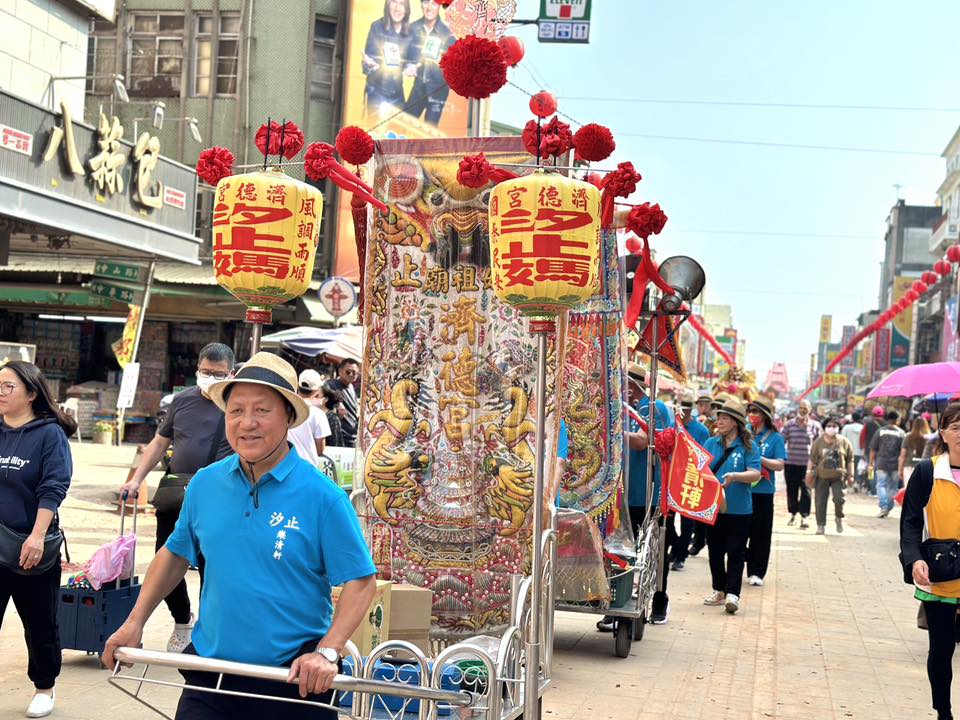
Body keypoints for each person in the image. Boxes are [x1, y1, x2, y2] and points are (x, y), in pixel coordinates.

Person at [104, 352, 377, 720]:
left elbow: (361, 581)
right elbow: (175, 554)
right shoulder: (205, 483)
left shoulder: (323, 497)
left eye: (262, 410)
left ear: (288, 417)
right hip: (211, 675)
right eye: (236, 411)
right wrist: (134, 621)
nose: (247, 423)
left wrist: (328, 650)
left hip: (292, 680)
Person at [120, 342, 235, 653]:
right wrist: (136, 479)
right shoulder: (182, 401)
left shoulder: (236, 403)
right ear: (197, 370)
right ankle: (182, 620)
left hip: (219, 498)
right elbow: (159, 443)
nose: (210, 378)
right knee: (165, 558)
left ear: (231, 374)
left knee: (213, 567)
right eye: (206, 372)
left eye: (218, 374)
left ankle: (208, 631)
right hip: (177, 496)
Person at [0, 360, 76, 718]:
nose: (0, 392)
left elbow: (53, 487)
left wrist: (37, 536)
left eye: (8, 386)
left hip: (29, 547)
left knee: (40, 622)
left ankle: (44, 687)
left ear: (31, 393)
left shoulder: (49, 434)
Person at [598, 363, 674, 630]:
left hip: (648, 495)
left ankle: (659, 600)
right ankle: (616, 603)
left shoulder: (653, 408)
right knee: (617, 550)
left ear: (632, 385)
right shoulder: (619, 408)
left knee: (652, 552)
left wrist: (612, 432)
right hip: (620, 495)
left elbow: (643, 441)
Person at [899, 402, 960, 720]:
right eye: (956, 427)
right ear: (943, 434)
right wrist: (914, 560)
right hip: (941, 576)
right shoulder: (927, 472)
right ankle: (944, 711)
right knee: (942, 648)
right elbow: (910, 523)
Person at [703, 398, 761, 614]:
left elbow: (755, 473)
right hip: (714, 507)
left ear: (735, 422)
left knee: (736, 552)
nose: (719, 422)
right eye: (719, 418)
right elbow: (700, 469)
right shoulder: (711, 443)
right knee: (715, 551)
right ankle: (719, 589)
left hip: (740, 509)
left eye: (725, 418)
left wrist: (735, 476)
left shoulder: (749, 446)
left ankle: (733, 594)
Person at [745, 396, 785, 585]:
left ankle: (757, 572)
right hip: (744, 490)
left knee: (761, 534)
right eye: (750, 411)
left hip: (764, 492)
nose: (752, 415)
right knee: (741, 531)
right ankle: (740, 564)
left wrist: (759, 459)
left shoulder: (776, 438)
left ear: (765, 416)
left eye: (755, 412)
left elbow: (779, 464)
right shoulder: (745, 434)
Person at [672, 390, 710, 571]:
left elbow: (705, 456)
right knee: (667, 520)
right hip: (672, 478)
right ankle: (676, 548)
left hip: (690, 480)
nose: (684, 411)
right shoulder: (672, 425)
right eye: (682, 408)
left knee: (687, 522)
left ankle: (680, 556)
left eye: (687, 408)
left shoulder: (701, 431)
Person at [404, 0, 454, 125]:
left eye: (434, 3)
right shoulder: (411, 29)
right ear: (421, 4)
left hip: (438, 91)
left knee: (429, 130)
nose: (429, 7)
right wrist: (408, 66)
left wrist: (443, 65)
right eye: (426, 2)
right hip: (417, 89)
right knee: (405, 124)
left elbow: (456, 68)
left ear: (439, 5)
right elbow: (401, 55)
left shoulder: (448, 34)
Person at [362, 0, 413, 112]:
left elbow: (412, 59)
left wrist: (411, 67)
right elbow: (368, 61)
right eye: (394, 2)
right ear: (387, 4)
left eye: (402, 4)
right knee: (374, 123)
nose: (397, 8)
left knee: (399, 123)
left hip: (397, 93)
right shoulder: (376, 27)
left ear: (407, 9)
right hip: (376, 90)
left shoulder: (410, 33)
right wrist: (370, 65)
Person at [807, 416, 854, 535]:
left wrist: (851, 475)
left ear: (839, 428)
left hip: (839, 476)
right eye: (829, 426)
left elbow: (850, 459)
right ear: (824, 427)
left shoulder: (844, 442)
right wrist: (808, 472)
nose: (831, 428)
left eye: (834, 426)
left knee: (839, 499)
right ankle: (820, 525)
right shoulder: (818, 442)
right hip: (822, 476)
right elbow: (812, 458)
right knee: (820, 501)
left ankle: (839, 517)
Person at [781, 399, 822, 529]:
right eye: (801, 408)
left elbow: (819, 445)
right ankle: (793, 514)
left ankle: (804, 516)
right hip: (791, 463)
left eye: (805, 408)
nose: (803, 410)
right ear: (798, 409)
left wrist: (817, 462)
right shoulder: (789, 425)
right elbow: (781, 441)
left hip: (807, 464)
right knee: (791, 490)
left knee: (806, 490)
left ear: (810, 410)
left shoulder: (815, 426)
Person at [287, 369, 332, 467]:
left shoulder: (285, 409)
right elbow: (320, 450)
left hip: (284, 465)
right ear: (317, 390)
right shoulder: (319, 414)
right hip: (307, 467)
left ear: (298, 386)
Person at [870, 409, 906, 519]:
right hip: (895, 465)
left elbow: (873, 448)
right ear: (897, 420)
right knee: (893, 486)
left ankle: (884, 507)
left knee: (881, 485)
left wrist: (871, 462)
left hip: (881, 463)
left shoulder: (880, 431)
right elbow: (904, 451)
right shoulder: (901, 433)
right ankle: (888, 507)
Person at [324, 359, 360, 448]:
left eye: (354, 373)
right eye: (348, 372)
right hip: (340, 436)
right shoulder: (332, 384)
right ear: (340, 371)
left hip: (353, 436)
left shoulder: (351, 387)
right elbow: (325, 390)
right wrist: (337, 403)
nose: (351, 375)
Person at [860, 405, 886, 495]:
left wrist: (862, 449)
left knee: (871, 470)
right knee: (880, 470)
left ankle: (873, 490)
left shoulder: (868, 424)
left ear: (872, 414)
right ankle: (880, 490)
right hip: (882, 452)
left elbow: (862, 437)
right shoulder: (886, 424)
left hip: (869, 451)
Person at [841, 410, 865, 492]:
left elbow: (842, 439)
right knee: (858, 468)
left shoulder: (846, 427)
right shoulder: (862, 428)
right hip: (859, 452)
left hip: (847, 451)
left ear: (852, 418)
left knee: (847, 467)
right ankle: (856, 483)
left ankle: (846, 484)